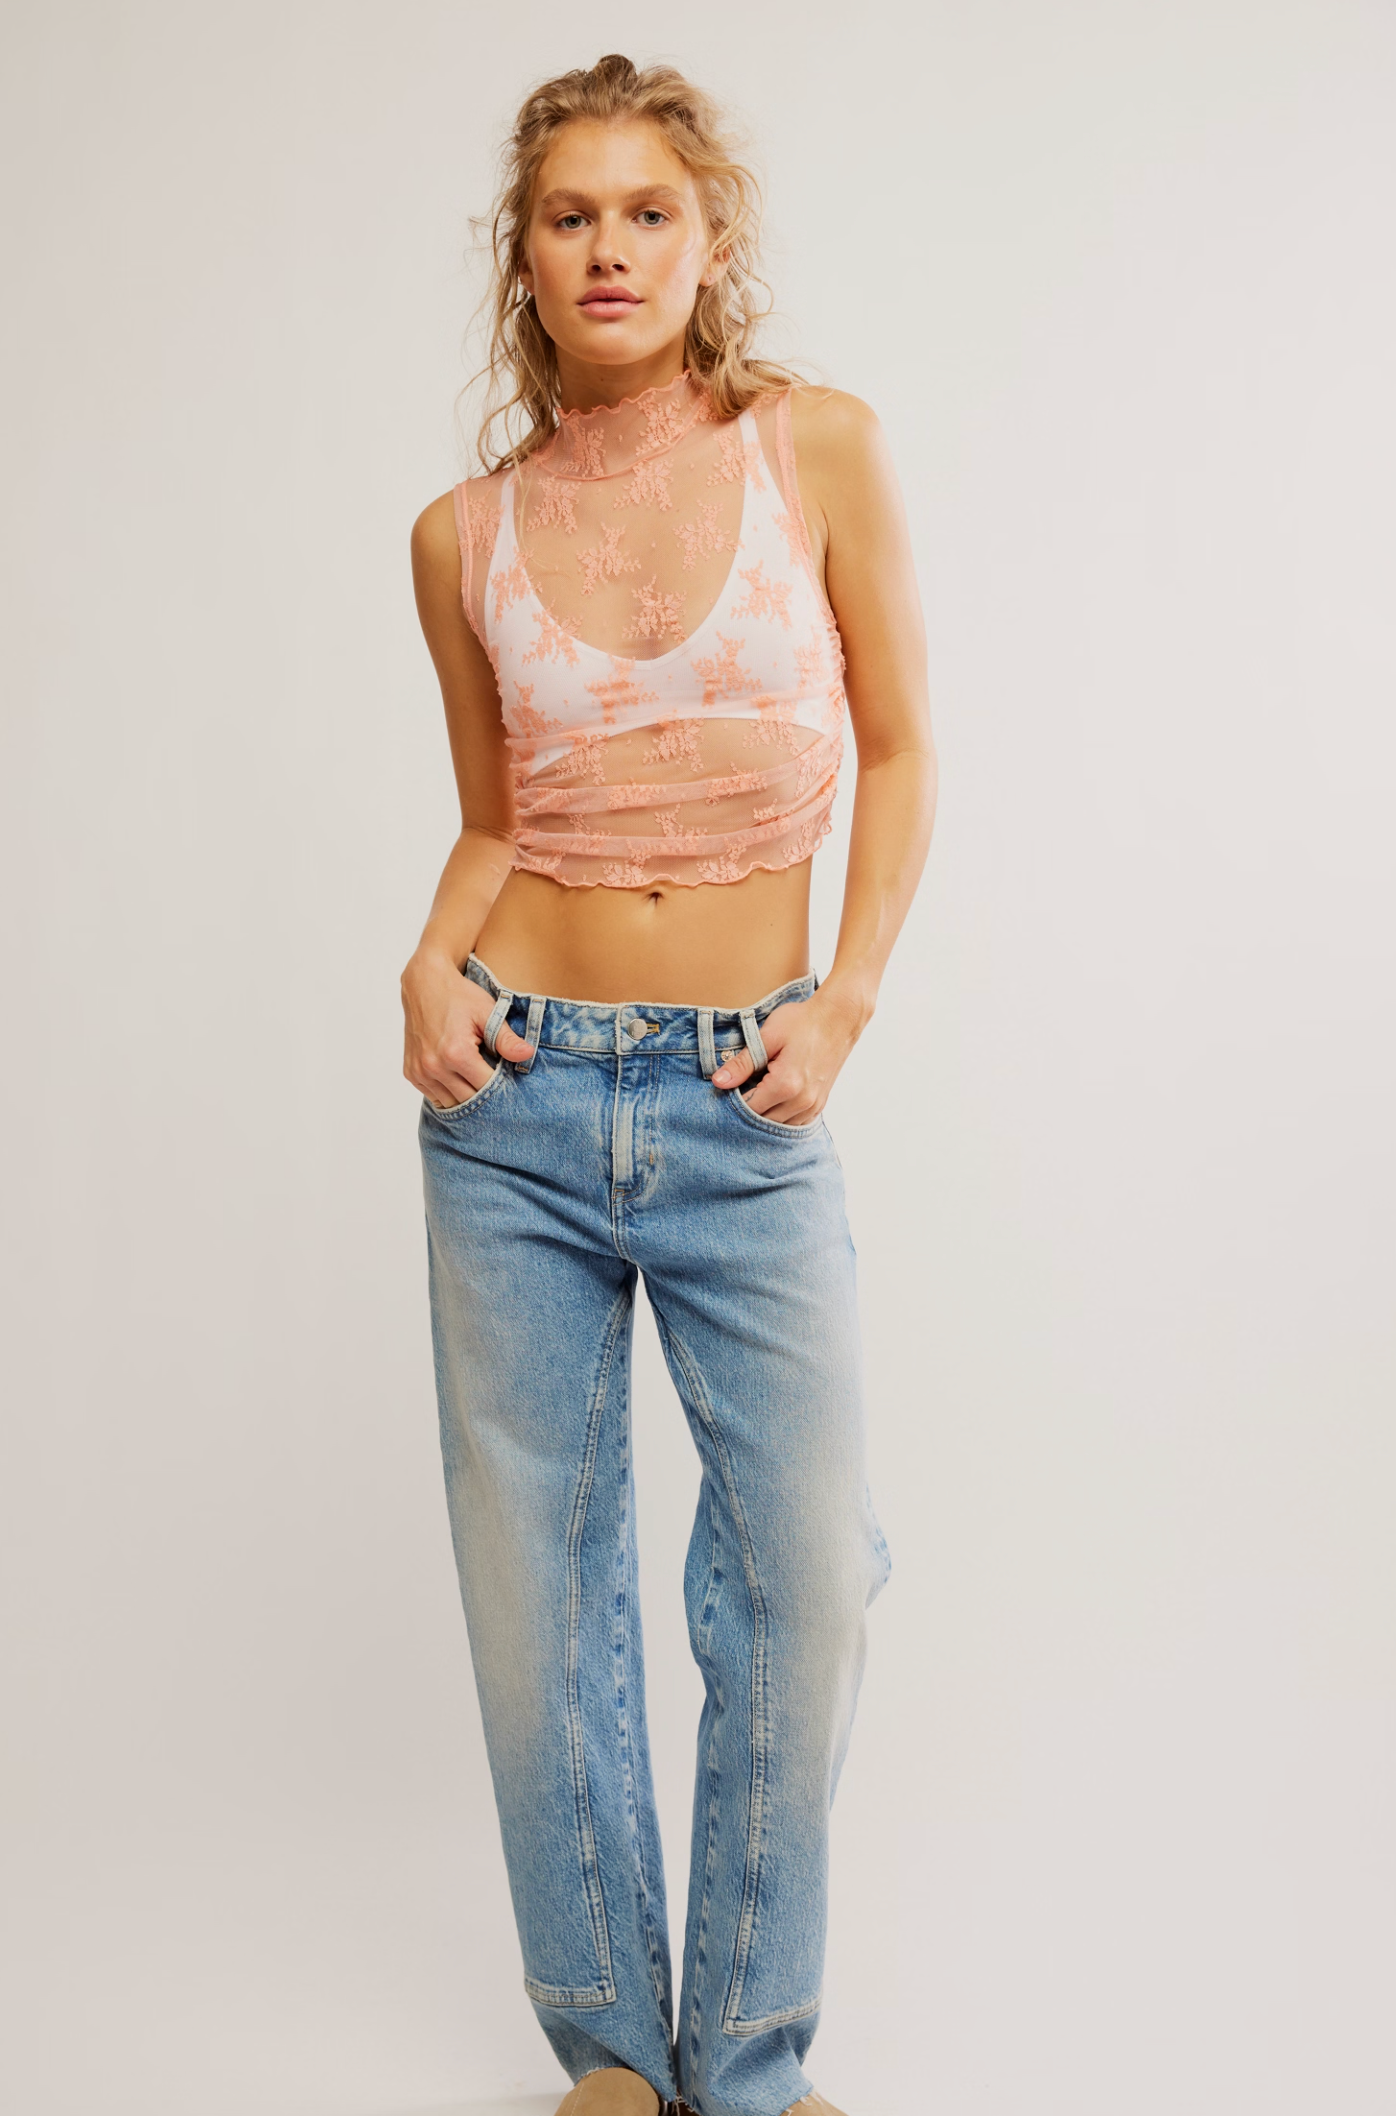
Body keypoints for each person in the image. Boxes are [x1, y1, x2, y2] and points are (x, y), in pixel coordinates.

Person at [402, 54, 936, 2116]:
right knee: (536, 1598)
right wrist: (424, 964)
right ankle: (615, 2051)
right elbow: (493, 815)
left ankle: (752, 2050)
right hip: (512, 1102)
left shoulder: (819, 449)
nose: (608, 248)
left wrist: (846, 1001)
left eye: (648, 212)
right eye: (570, 216)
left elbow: (899, 747)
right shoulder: (460, 535)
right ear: (522, 258)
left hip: (743, 1095)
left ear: (711, 246)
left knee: (807, 1575)